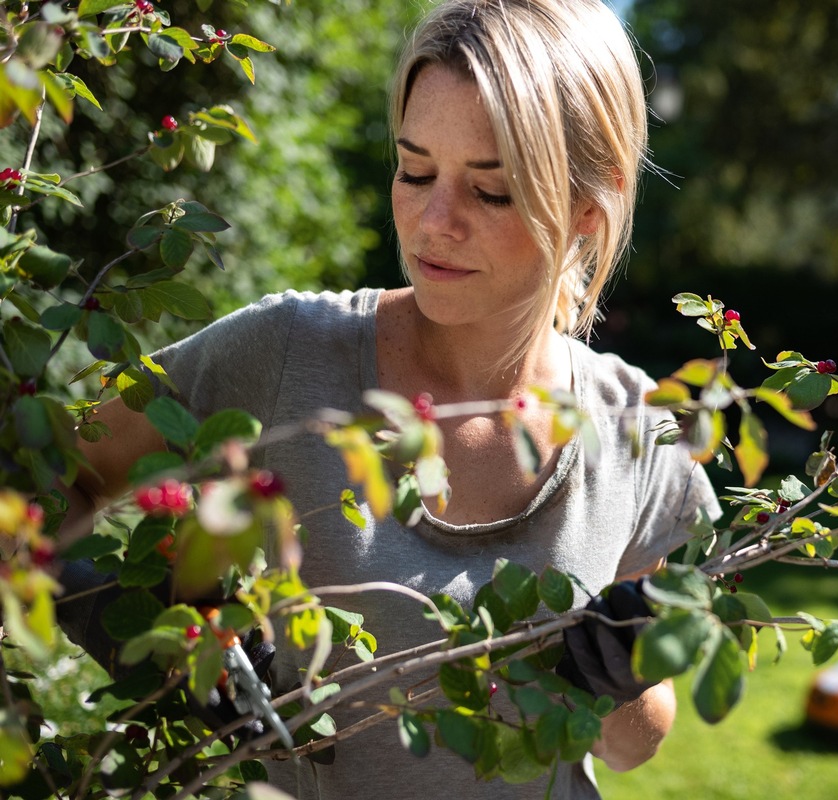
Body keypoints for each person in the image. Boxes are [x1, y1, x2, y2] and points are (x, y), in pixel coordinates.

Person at [57, 0, 721, 797]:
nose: (433, 221)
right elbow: (42, 469)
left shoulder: (637, 430)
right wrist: (149, 620)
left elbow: (634, 747)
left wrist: (623, 680)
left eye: (492, 190)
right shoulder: (287, 353)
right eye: (414, 170)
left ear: (590, 204)